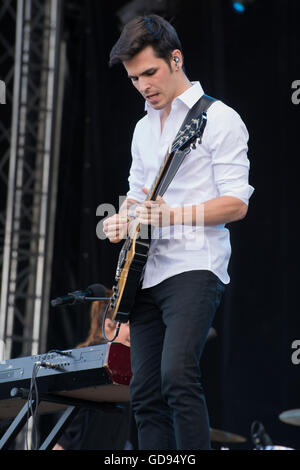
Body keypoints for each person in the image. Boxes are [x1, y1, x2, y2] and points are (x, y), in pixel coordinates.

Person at [103, 14, 254, 450]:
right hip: (146, 274)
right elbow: (137, 198)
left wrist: (171, 215)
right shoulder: (142, 129)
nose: (143, 86)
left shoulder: (220, 118)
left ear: (176, 59)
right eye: (134, 79)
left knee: (176, 375)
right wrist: (121, 219)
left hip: (194, 265)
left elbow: (236, 204)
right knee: (144, 391)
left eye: (150, 73)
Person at [52, 290, 137, 450]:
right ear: (108, 325)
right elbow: (74, 416)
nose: (133, 331)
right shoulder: (90, 358)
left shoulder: (127, 365)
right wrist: (62, 444)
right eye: (127, 324)